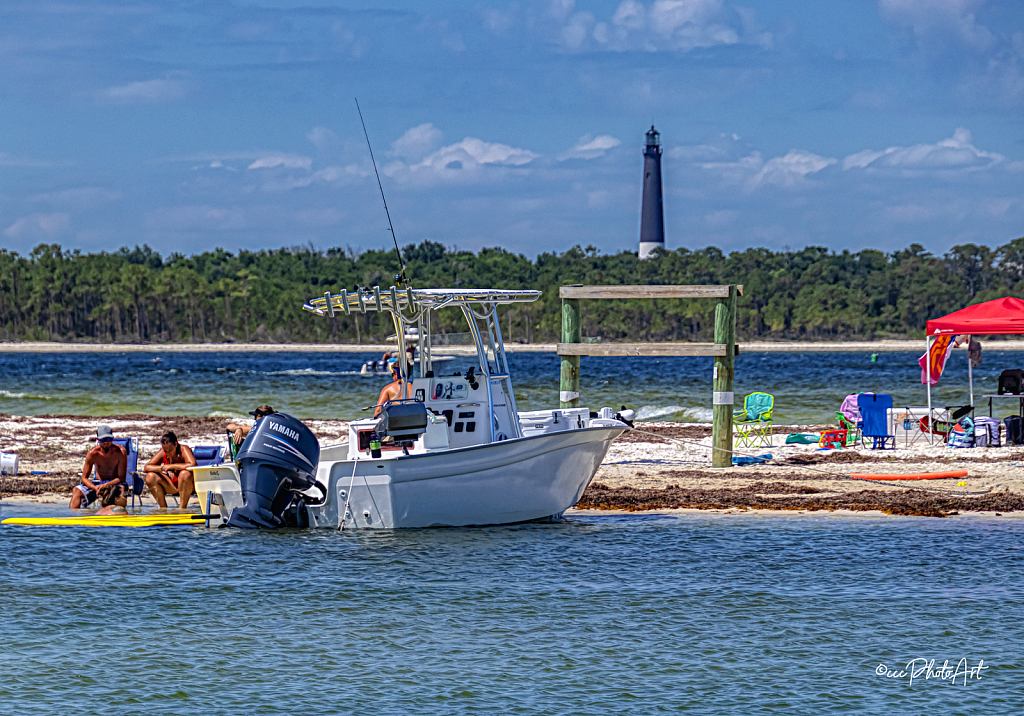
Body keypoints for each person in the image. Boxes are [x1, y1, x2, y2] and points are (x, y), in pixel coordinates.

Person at [70, 426, 127, 509]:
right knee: (76, 491)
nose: (106, 442)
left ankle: (119, 516)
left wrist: (106, 485)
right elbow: (84, 478)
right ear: (98, 440)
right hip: (97, 484)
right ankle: (73, 518)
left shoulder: (120, 452)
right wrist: (95, 488)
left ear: (112, 439)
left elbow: (121, 478)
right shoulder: (92, 454)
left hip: (115, 482)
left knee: (121, 491)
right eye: (103, 440)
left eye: (108, 439)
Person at [143, 432, 197, 508]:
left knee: (184, 474)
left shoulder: (184, 449)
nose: (168, 453)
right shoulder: (163, 452)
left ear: (176, 444)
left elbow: (192, 464)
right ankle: (163, 508)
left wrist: (171, 467)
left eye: (170, 450)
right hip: (172, 484)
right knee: (150, 476)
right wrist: (163, 468)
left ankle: (182, 508)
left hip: (188, 485)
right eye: (166, 451)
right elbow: (147, 467)